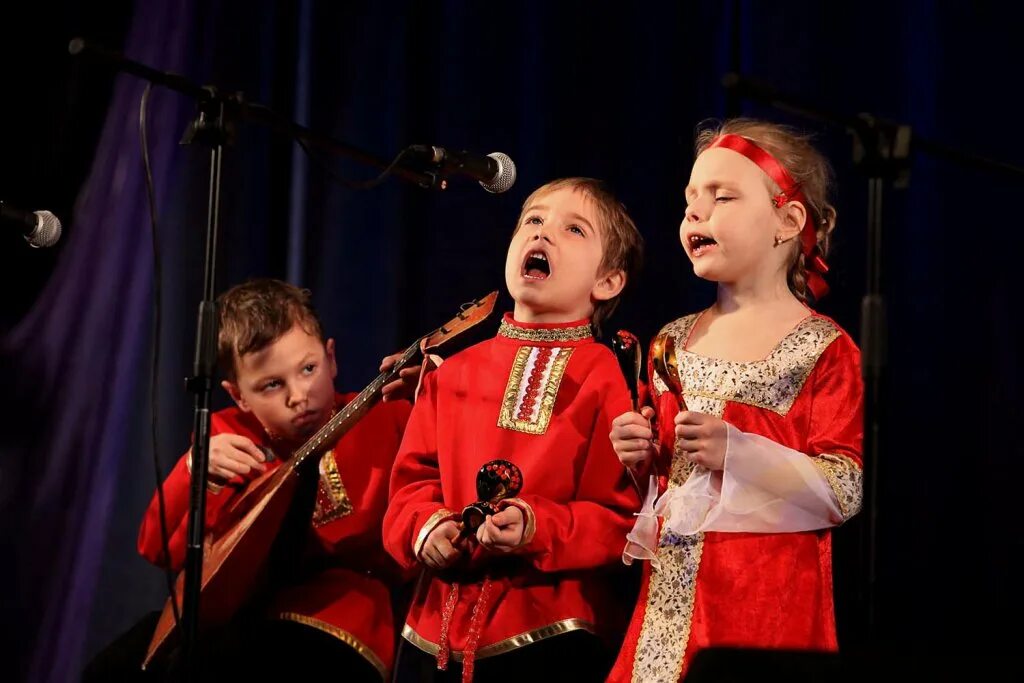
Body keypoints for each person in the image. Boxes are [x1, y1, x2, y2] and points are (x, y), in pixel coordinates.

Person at [607, 119, 864, 682]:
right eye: (690, 201)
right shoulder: (671, 342)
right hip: (667, 605)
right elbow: (667, 487)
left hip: (764, 607)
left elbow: (845, 488)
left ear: (788, 221)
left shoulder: (823, 346)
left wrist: (739, 450)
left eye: (722, 197)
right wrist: (638, 459)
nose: (695, 213)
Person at [84, 278, 415, 682]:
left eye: (308, 369)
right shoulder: (227, 439)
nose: (298, 395)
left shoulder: (386, 419)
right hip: (235, 619)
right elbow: (159, 549)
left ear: (331, 359)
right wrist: (192, 472)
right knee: (112, 668)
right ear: (238, 395)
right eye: (271, 385)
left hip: (340, 623)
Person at [382, 177, 644, 683]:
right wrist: (426, 527)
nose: (543, 235)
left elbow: (620, 519)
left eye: (573, 229)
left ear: (608, 281)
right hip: (430, 633)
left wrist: (536, 526)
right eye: (533, 221)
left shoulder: (602, 372)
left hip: (549, 633)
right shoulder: (452, 369)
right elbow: (408, 487)